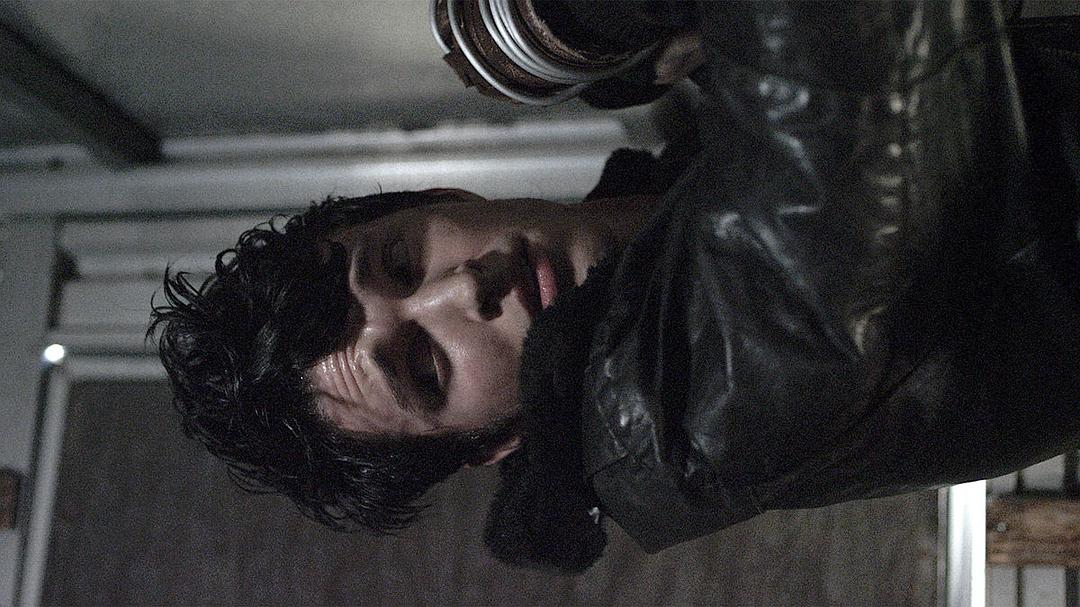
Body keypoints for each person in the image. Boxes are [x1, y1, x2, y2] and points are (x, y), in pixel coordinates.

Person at [151, 0, 1080, 574]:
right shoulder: (693, 408)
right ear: (496, 442)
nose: (466, 288)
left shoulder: (681, 197)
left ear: (445, 196)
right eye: (425, 367)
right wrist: (569, 21)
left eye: (401, 261)